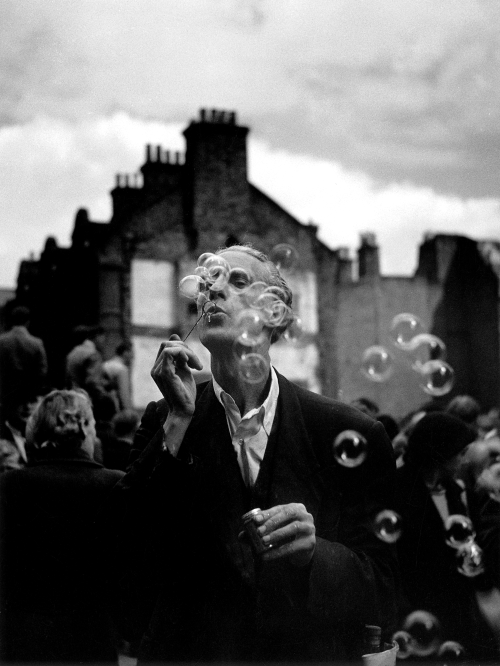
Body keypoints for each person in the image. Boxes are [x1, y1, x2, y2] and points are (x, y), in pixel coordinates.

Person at [112, 244, 398, 663]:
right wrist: (177, 422)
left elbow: (385, 588)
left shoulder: (347, 430)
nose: (213, 292)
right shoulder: (168, 418)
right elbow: (125, 553)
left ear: (276, 312)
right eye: (209, 283)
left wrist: (315, 555)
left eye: (238, 281)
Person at [0, 389, 124, 664]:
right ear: (82, 427)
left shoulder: (11, 484)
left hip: (26, 635)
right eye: (92, 425)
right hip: (93, 635)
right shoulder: (115, 484)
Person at [394, 412, 497, 659]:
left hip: (456, 616)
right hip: (416, 612)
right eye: (460, 454)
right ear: (440, 452)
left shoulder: (459, 493)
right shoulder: (399, 490)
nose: (464, 461)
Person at [0, 305, 47, 433]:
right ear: (28, 321)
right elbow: (42, 372)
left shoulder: (2, 341)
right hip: (26, 399)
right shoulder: (36, 343)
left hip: (5, 397)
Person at [103, 340, 134, 411]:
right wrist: (129, 413)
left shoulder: (106, 364)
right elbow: (124, 395)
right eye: (131, 352)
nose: (132, 356)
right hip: (113, 408)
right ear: (125, 353)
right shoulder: (122, 369)